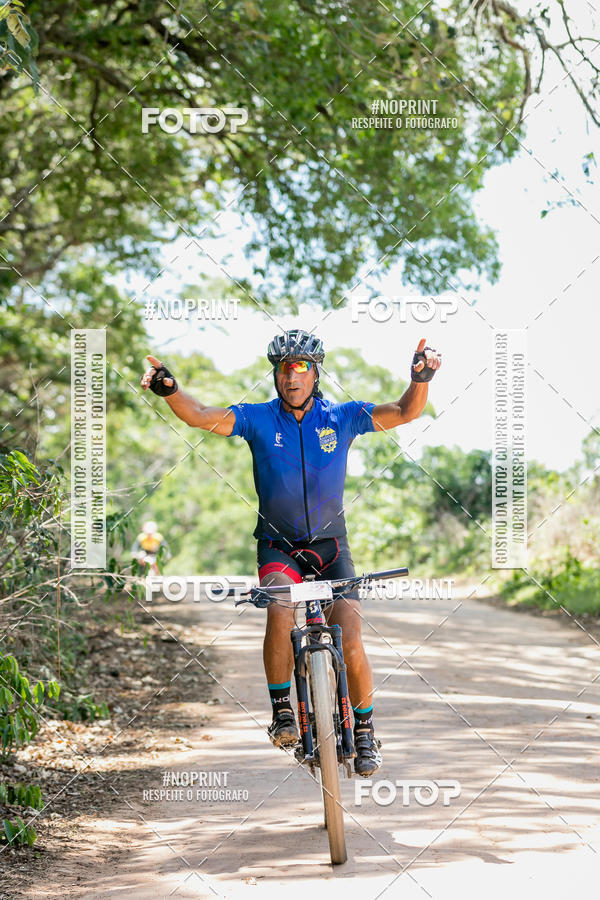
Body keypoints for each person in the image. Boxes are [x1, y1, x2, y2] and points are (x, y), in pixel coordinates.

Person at [140, 330, 441, 776]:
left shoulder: (342, 417)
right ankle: (283, 712)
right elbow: (200, 416)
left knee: (351, 636)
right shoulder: (257, 419)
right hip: (278, 548)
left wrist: (420, 379)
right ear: (276, 375)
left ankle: (363, 730)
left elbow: (404, 412)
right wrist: (170, 390)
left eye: (300, 367)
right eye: (284, 368)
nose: (291, 376)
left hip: (330, 548)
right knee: (279, 608)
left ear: (315, 373)